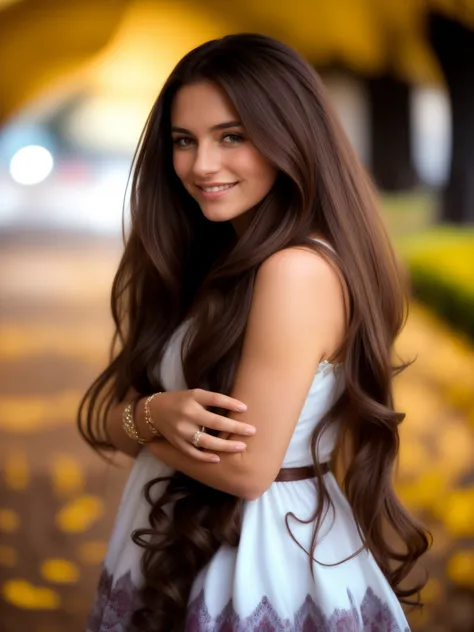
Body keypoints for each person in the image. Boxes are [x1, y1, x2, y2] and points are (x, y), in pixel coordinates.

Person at [79, 33, 430, 632]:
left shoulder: (294, 270)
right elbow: (97, 420)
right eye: (183, 141)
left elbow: (245, 470)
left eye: (232, 136)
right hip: (185, 537)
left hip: (258, 559)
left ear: (289, 137)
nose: (201, 165)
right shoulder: (217, 257)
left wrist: (143, 418)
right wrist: (152, 416)